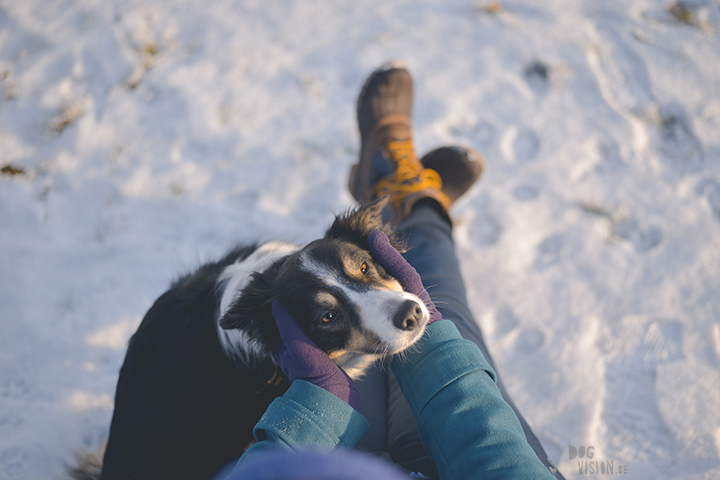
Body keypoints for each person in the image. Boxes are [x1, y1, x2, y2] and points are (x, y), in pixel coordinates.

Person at [222, 62, 565, 480]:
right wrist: (439, 350)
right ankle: (421, 203)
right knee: (449, 313)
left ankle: (395, 194)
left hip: (331, 463)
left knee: (389, 350)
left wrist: (318, 408)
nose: (393, 304)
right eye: (328, 315)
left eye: (364, 268)